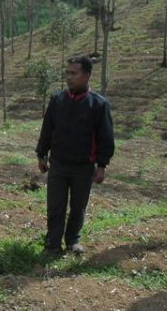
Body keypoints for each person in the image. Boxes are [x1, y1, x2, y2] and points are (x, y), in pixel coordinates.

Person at [35, 56, 115, 255]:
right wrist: (42, 154)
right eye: (67, 73)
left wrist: (102, 165)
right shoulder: (58, 100)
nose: (69, 77)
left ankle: (72, 240)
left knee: (78, 207)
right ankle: (52, 244)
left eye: (74, 73)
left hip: (83, 167)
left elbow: (105, 136)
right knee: (55, 206)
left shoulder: (98, 104)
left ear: (86, 75)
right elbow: (47, 129)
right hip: (59, 164)